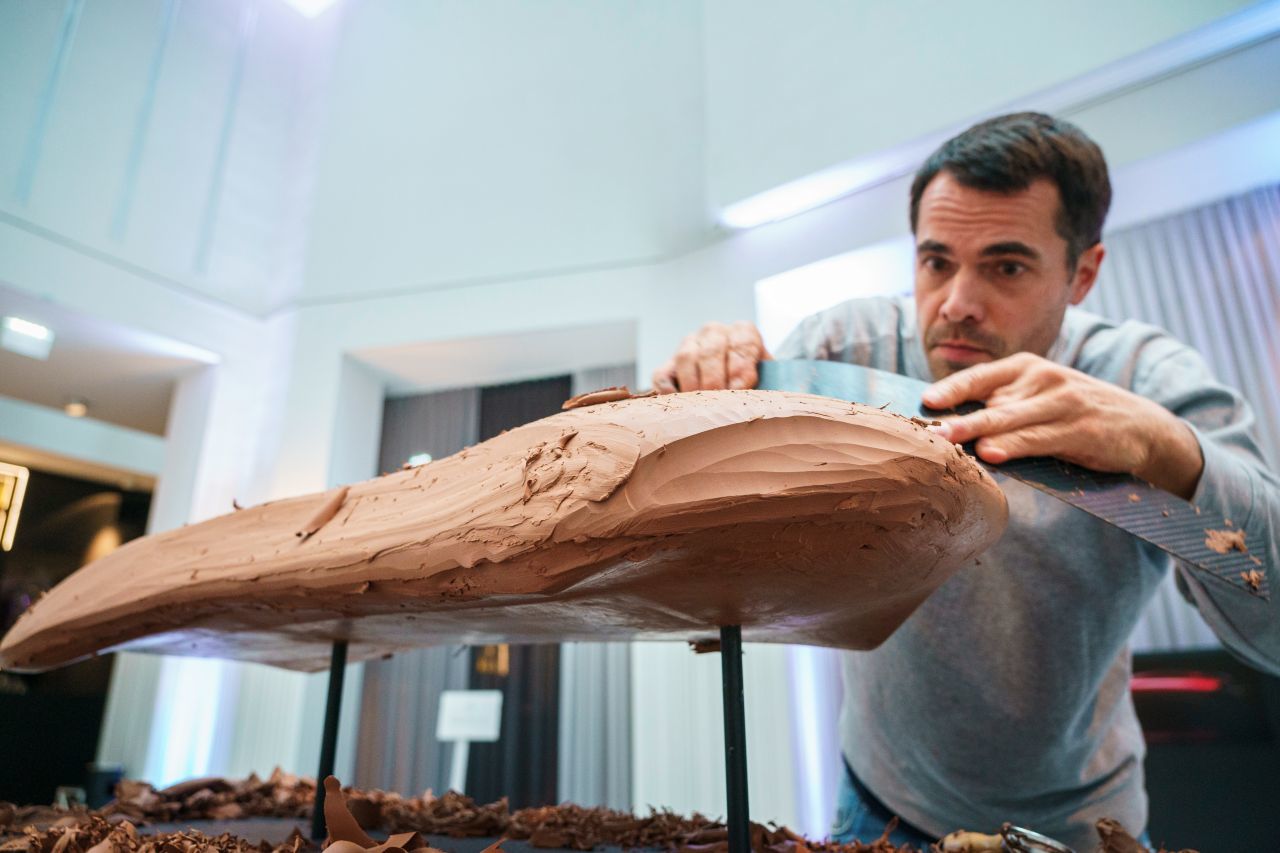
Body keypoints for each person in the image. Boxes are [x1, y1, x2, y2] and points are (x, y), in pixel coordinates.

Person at [652, 112, 1280, 850]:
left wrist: (1165, 448)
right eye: (935, 261)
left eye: (1006, 266)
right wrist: (693, 393)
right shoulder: (845, 350)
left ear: (1082, 272)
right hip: (878, 801)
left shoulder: (1144, 379)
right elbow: (709, 512)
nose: (956, 302)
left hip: (1078, 825)